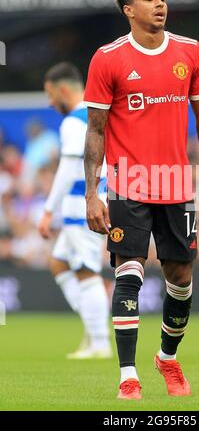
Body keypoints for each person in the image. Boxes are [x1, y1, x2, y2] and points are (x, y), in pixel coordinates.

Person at [84, 0, 199, 399]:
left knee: (180, 277)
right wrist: (92, 191)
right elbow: (95, 131)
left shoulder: (191, 52)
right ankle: (128, 374)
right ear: (129, 10)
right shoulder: (107, 58)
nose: (159, 4)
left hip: (179, 181)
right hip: (127, 180)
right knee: (129, 272)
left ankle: (167, 357)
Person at [38, 62, 111, 359]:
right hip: (89, 201)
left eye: (50, 94)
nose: (49, 102)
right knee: (59, 263)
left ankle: (101, 342)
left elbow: (68, 169)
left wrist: (47, 210)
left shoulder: (73, 121)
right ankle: (94, 327)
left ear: (63, 90)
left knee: (86, 270)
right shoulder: (95, 115)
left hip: (81, 205)